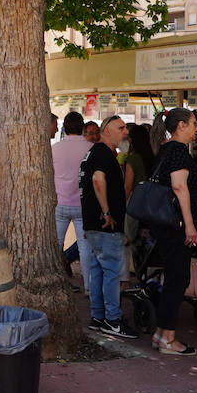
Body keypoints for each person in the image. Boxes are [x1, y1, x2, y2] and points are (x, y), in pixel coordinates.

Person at [145, 109, 197, 355]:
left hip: (165, 227)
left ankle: (161, 334)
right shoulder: (178, 151)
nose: (196, 129)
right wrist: (189, 224)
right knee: (178, 280)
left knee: (174, 279)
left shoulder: (165, 149)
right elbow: (179, 187)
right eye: (193, 124)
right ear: (180, 125)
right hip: (176, 227)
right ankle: (168, 337)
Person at [80, 116, 139, 338]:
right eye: (120, 128)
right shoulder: (103, 153)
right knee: (113, 272)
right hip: (104, 223)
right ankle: (112, 320)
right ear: (106, 131)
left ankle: (98, 317)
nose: (125, 132)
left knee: (98, 271)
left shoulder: (94, 153)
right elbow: (97, 180)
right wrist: (106, 212)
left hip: (94, 223)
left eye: (125, 128)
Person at [52, 111, 93, 290]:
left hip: (60, 202)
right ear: (82, 127)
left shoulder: (55, 148)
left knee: (56, 245)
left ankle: (57, 283)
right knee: (85, 247)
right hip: (83, 205)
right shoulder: (91, 148)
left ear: (64, 128)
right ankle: (88, 287)